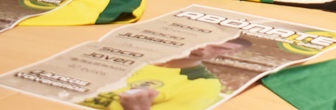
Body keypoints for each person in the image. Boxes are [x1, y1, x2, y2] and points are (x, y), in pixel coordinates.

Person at [79, 37, 253, 110]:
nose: (202, 47)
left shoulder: (202, 84)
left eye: (216, 46)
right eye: (205, 40)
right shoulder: (136, 55)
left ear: (226, 54)